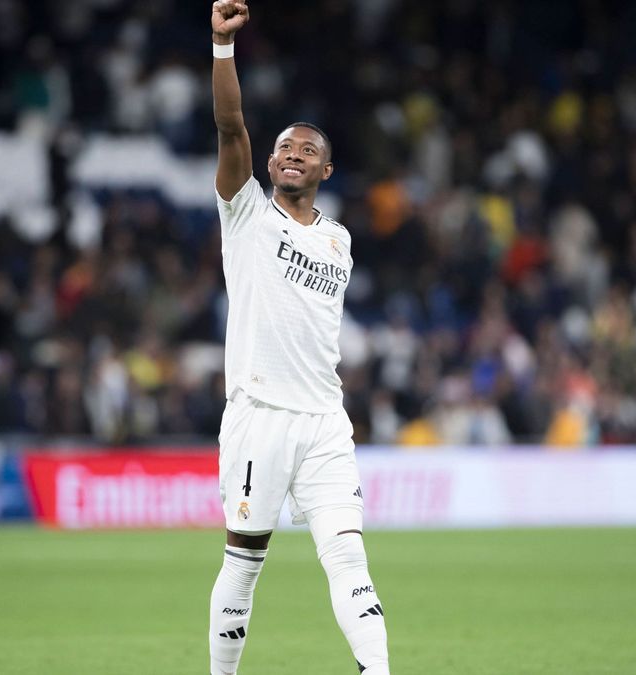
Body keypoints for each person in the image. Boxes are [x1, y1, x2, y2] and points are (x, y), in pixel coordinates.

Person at [206, 2, 391, 674]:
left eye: (306, 150)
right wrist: (224, 48)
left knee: (347, 554)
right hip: (259, 415)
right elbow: (231, 127)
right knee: (243, 562)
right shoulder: (246, 211)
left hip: (323, 421)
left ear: (326, 172)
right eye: (284, 145)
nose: (289, 153)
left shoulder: (339, 240)